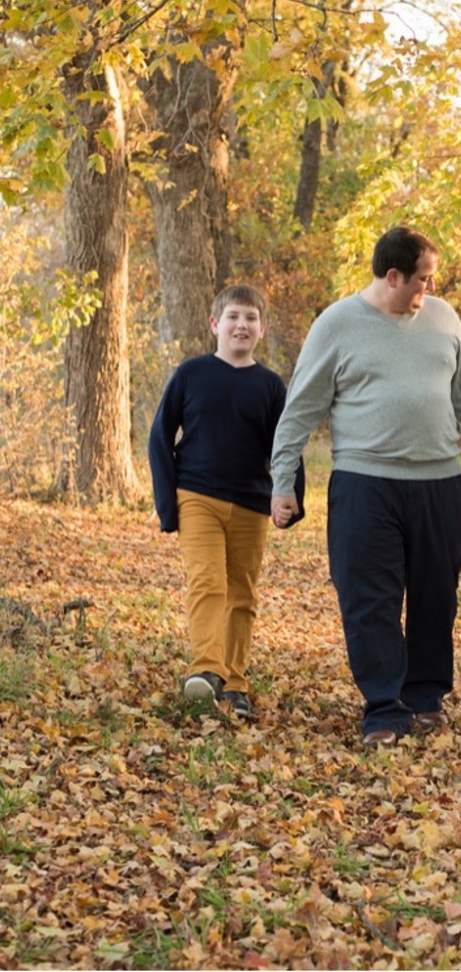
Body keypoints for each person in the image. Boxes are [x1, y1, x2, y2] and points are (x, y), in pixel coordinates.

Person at [269, 226, 461, 748]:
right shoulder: (337, 324)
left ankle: (425, 699)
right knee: (369, 599)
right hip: (364, 485)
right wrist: (283, 481)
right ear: (392, 276)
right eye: (422, 279)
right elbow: (300, 409)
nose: (429, 289)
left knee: (436, 596)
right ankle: (384, 708)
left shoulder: (443, 318)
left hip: (438, 482)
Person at [149, 284, 303, 720]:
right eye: (233, 316)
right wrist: (167, 504)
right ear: (215, 324)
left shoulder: (271, 386)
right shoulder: (191, 374)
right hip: (197, 496)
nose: (242, 325)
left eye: (251, 318)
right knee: (207, 583)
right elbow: (160, 436)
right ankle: (205, 671)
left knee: (242, 593)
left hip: (252, 504)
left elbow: (286, 445)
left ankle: (234, 683)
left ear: (262, 329)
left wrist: (290, 494)